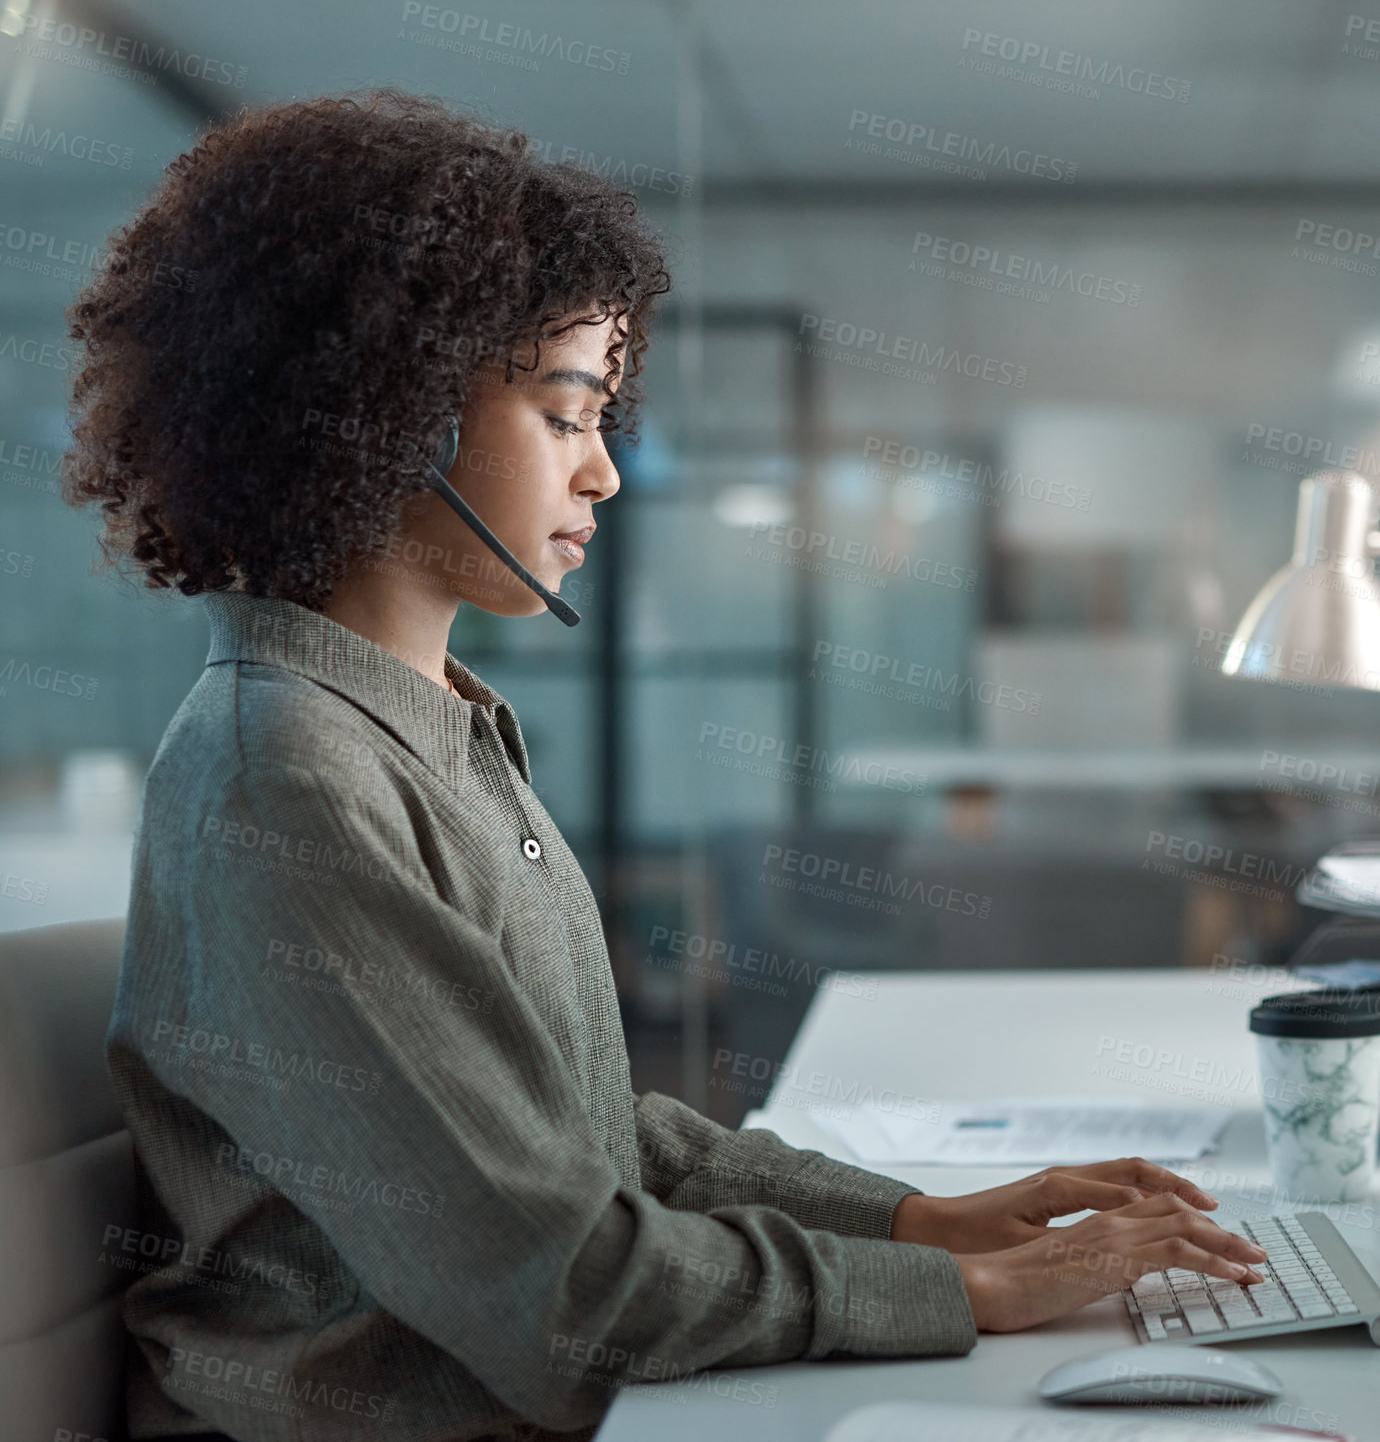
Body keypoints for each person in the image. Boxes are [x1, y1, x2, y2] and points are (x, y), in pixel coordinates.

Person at [62, 88, 1267, 1442]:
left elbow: (578, 1142)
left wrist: (925, 1218)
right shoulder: (285, 780)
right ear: (391, 416)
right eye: (567, 415)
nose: (606, 477)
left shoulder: (417, 729)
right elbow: (561, 1292)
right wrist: (962, 1289)